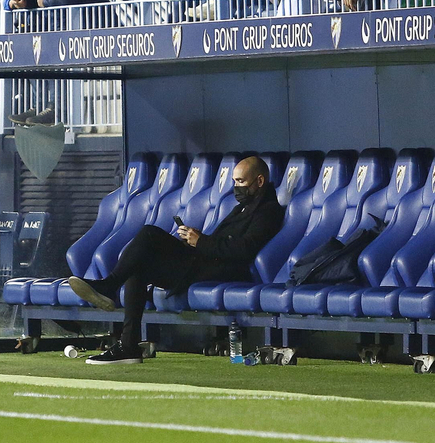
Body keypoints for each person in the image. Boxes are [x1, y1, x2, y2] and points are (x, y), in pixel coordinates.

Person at [68, 155, 283, 365]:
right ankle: (128, 346)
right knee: (139, 266)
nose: (236, 187)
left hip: (221, 269)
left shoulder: (268, 210)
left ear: (260, 181)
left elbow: (244, 249)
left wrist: (201, 242)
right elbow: (221, 241)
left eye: (241, 181)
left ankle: (110, 286)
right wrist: (195, 239)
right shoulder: (244, 206)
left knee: (149, 233)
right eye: (234, 181)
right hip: (204, 261)